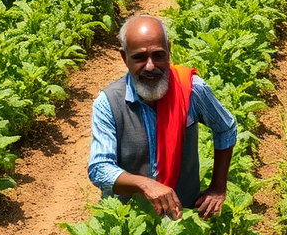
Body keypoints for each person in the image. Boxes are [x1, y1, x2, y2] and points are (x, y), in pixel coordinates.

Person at [88, 15, 237, 220]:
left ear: (169, 50)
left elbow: (225, 127)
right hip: (127, 221)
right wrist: (145, 184)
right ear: (124, 58)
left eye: (158, 55)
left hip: (183, 215)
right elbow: (99, 168)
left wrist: (218, 187)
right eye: (139, 58)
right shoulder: (109, 103)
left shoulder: (191, 89)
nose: (150, 66)